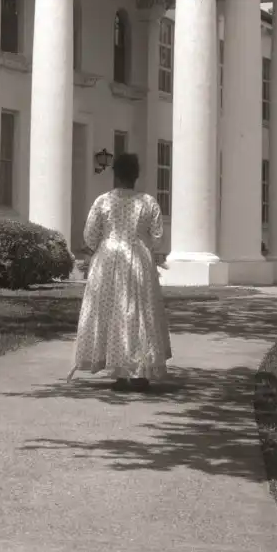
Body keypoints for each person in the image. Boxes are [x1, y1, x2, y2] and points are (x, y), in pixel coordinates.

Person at [67, 152, 172, 391]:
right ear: (136, 175)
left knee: (110, 310)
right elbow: (157, 237)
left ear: (115, 174)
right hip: (138, 260)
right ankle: (140, 369)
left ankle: (119, 369)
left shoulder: (103, 201)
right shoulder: (148, 202)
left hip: (108, 259)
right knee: (138, 313)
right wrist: (141, 242)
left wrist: (100, 245)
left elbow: (90, 236)